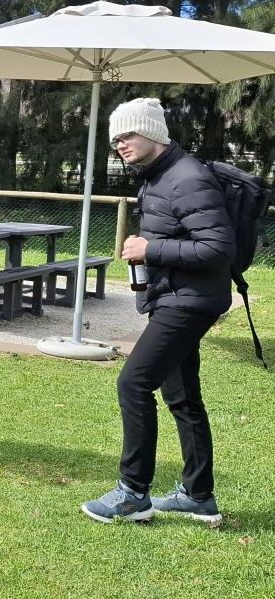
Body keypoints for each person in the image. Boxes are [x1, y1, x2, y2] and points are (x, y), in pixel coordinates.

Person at [81, 98, 235, 524]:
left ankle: (132, 493)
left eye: (127, 135)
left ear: (151, 132)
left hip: (190, 300)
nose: (120, 145)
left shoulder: (187, 177)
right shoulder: (158, 175)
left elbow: (218, 246)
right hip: (174, 295)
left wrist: (150, 247)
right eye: (115, 139)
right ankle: (198, 495)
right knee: (182, 396)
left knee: (133, 383)